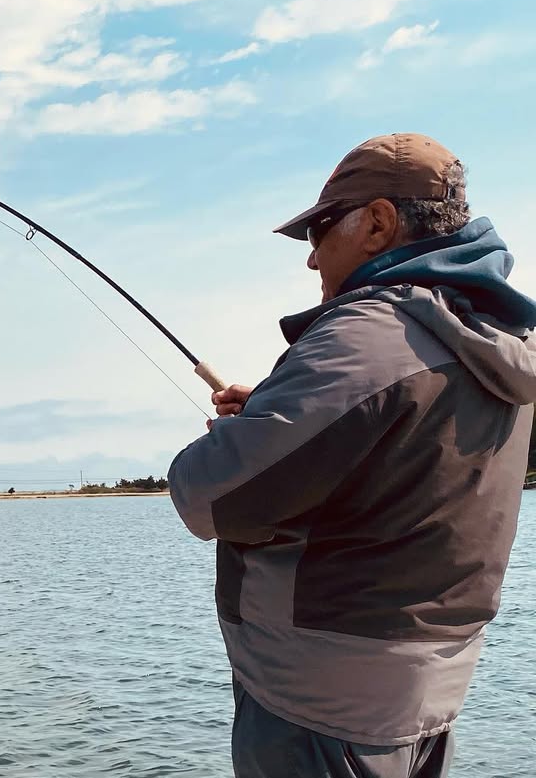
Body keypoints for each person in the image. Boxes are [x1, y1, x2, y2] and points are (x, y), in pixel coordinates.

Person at [167, 133, 536, 777]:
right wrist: (282, 406)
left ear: (378, 223)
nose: (312, 261)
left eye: (319, 233)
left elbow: (210, 497)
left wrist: (240, 432)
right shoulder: (502, 338)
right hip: (425, 698)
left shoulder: (364, 337)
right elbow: (403, 436)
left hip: (317, 708)